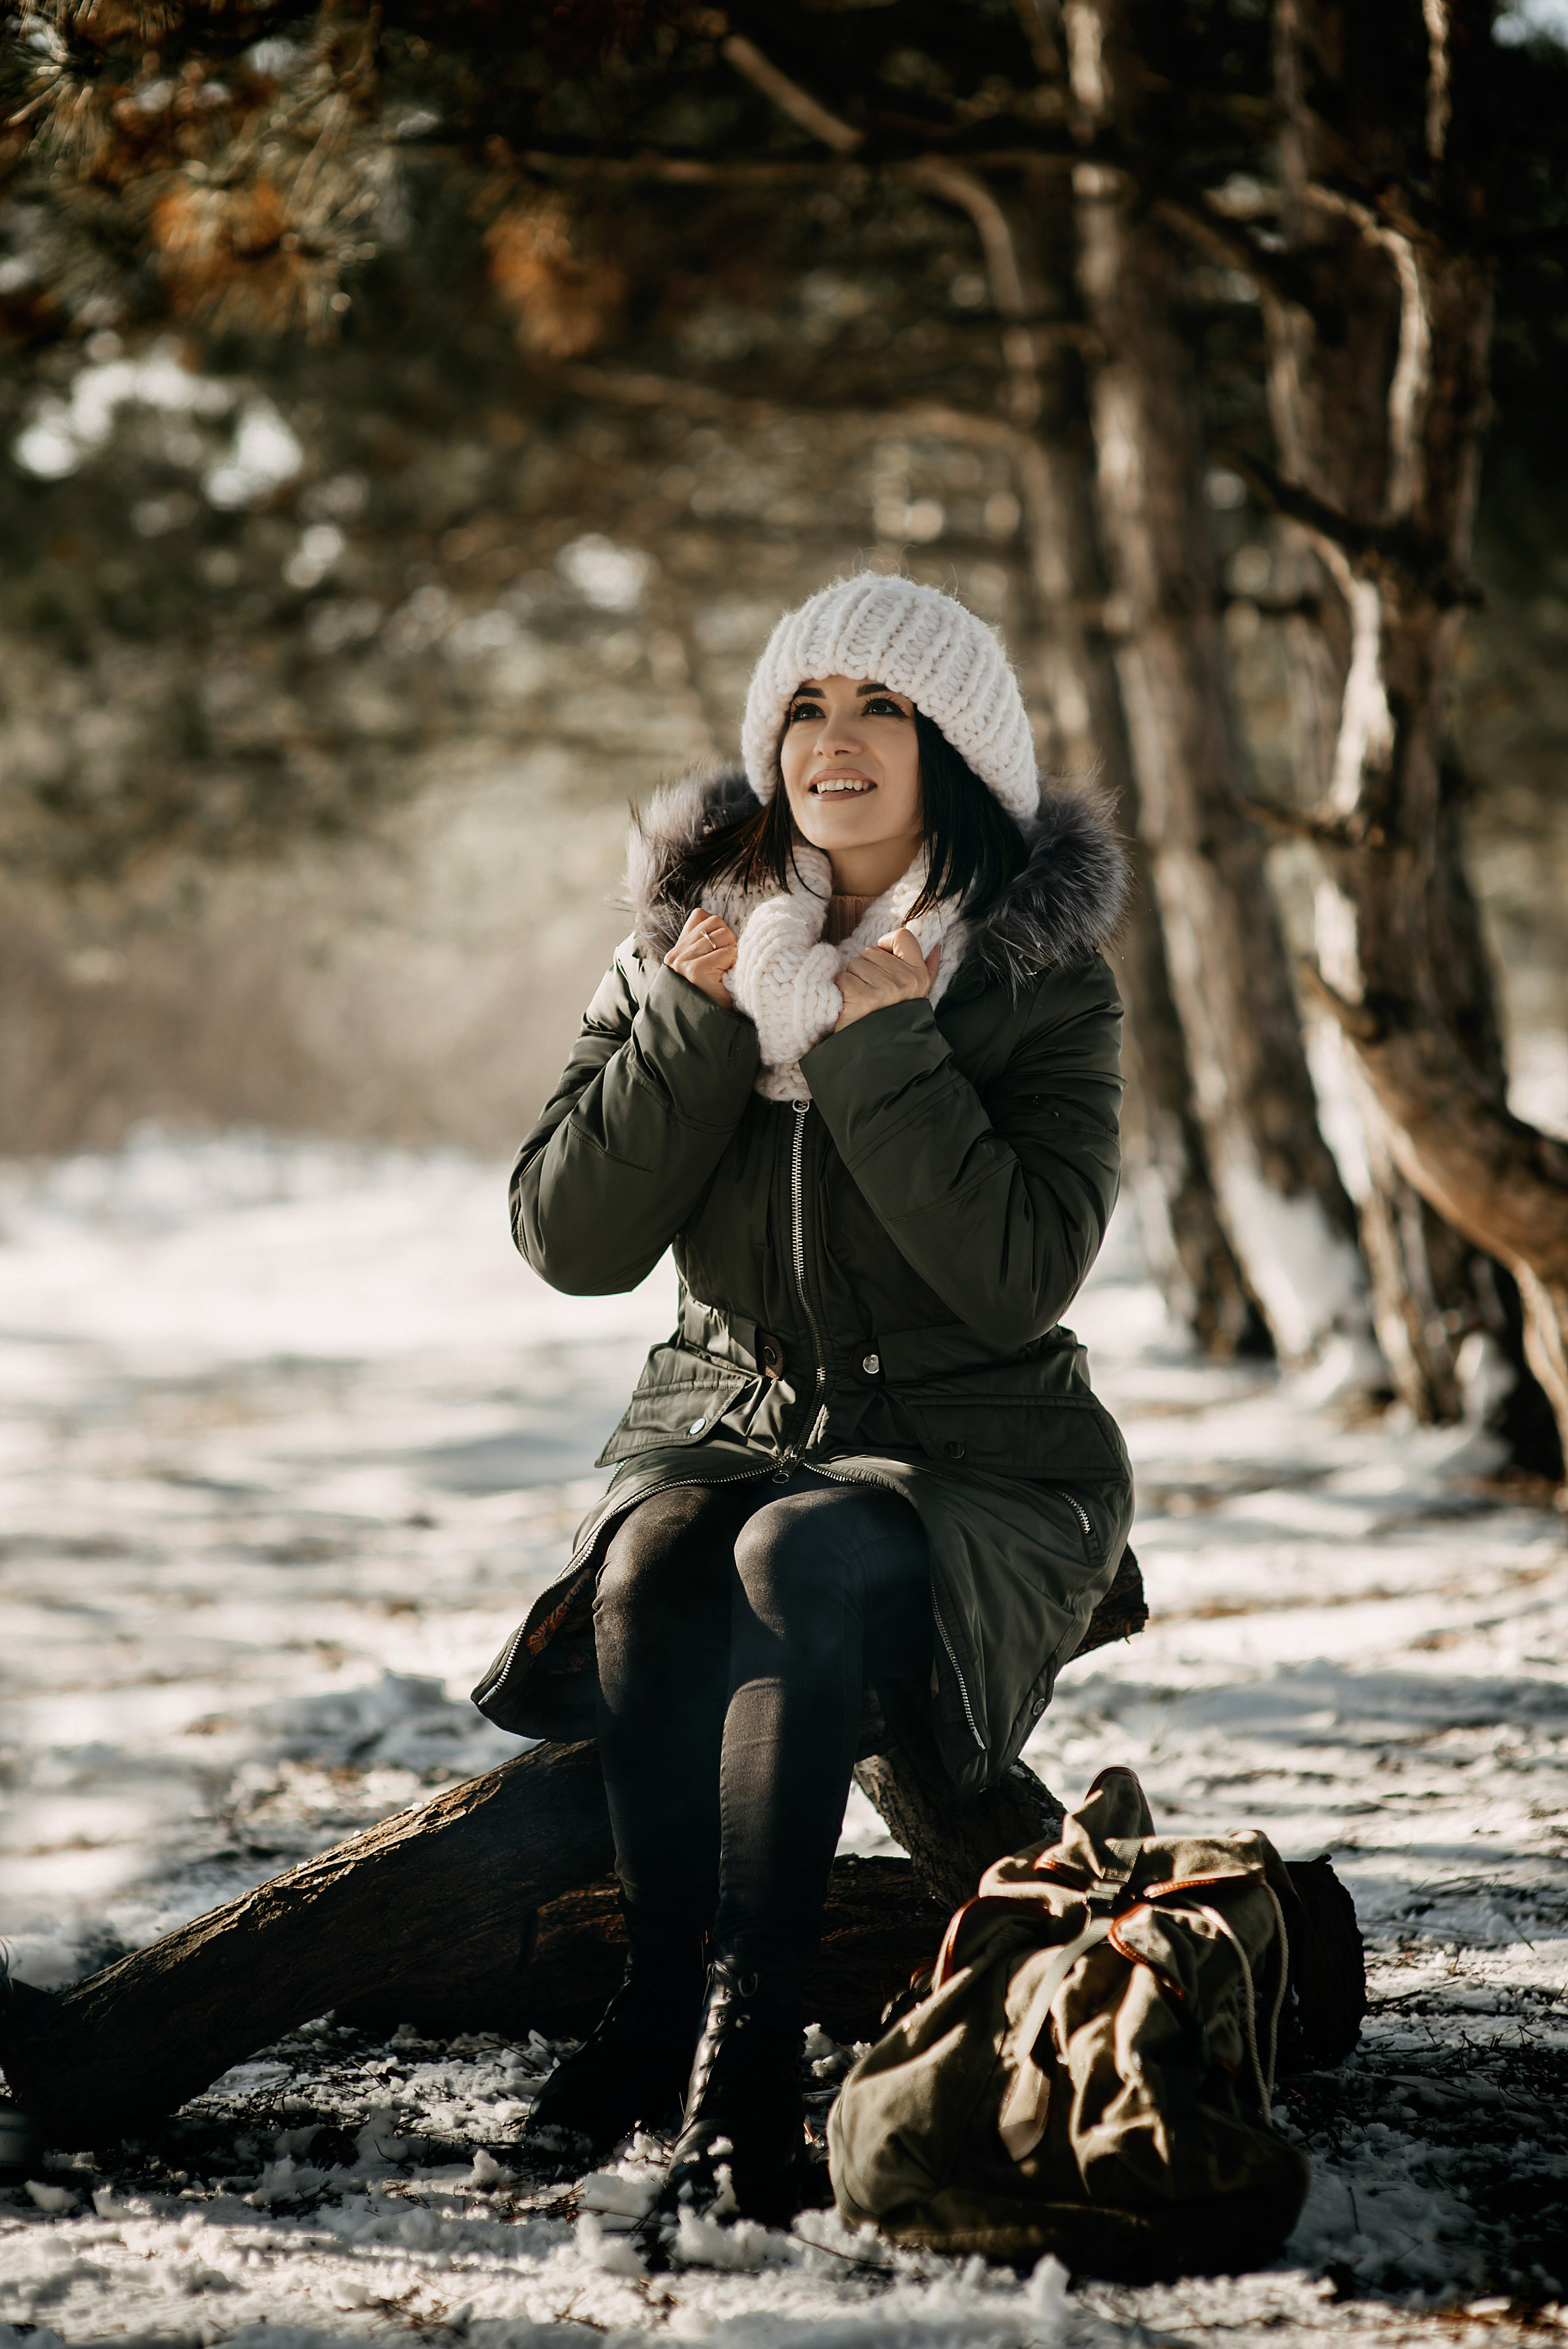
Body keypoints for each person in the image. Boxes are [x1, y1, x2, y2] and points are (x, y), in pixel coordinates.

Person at [472, 573, 1136, 2223]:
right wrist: (699, 1022)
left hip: (976, 1447)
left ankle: (750, 2062)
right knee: (658, 1556)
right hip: (724, 1419)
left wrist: (878, 1041)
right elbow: (567, 1236)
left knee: (801, 1557)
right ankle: (651, 2015)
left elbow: (1019, 1273)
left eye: (882, 707)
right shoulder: (687, 948)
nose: (834, 740)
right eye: (806, 707)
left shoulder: (1033, 979)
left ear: (955, 749)